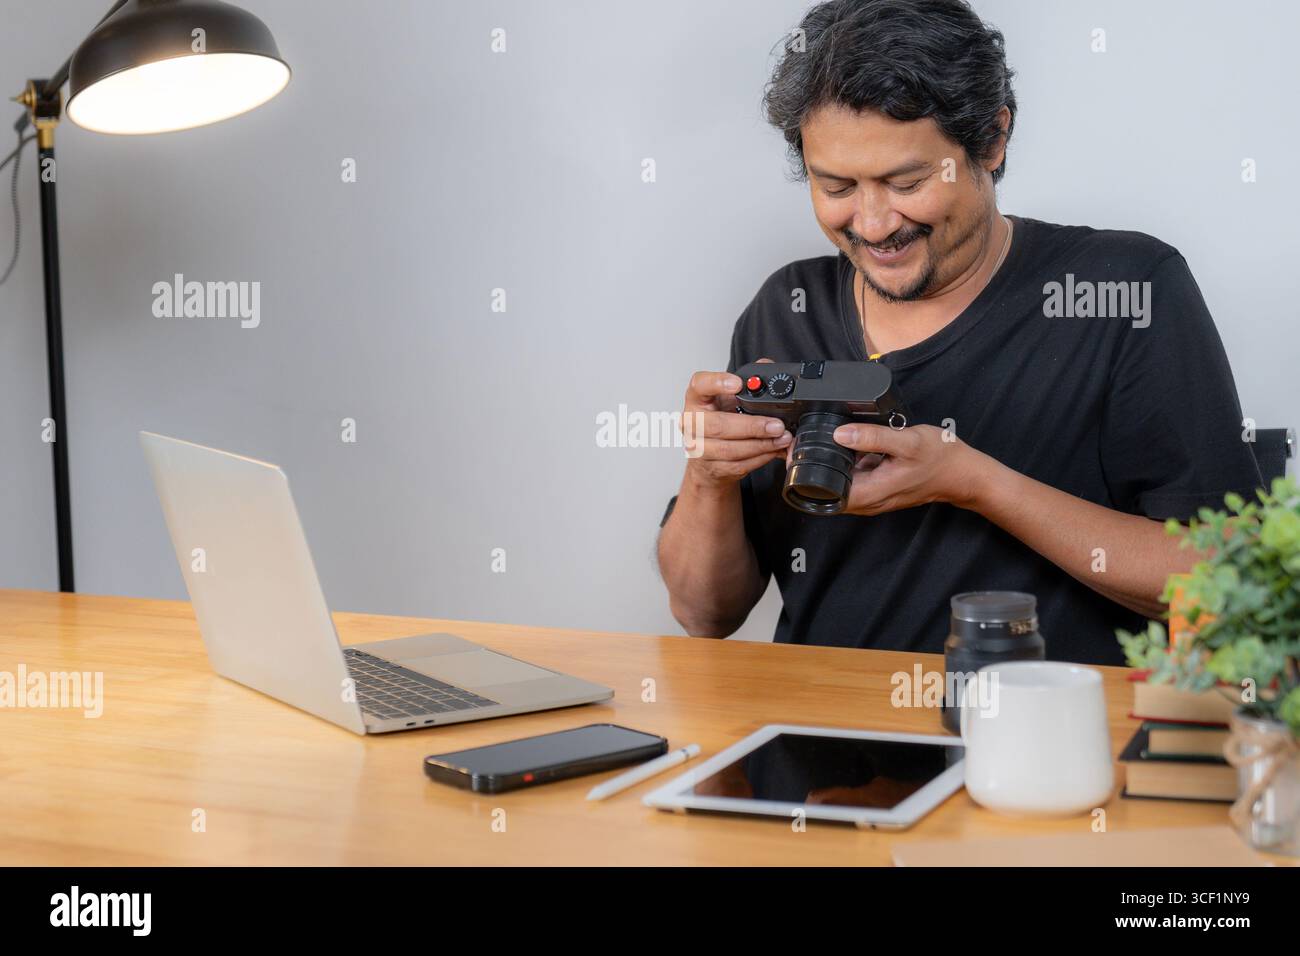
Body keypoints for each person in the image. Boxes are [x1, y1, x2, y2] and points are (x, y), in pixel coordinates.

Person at [655, 0, 1262, 665]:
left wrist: (973, 482)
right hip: (818, 747)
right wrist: (707, 474)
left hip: (1046, 749)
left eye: (906, 181)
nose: (875, 223)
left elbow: (1225, 583)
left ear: (993, 140)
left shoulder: (1125, 290)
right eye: (837, 186)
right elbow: (704, 614)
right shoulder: (787, 309)